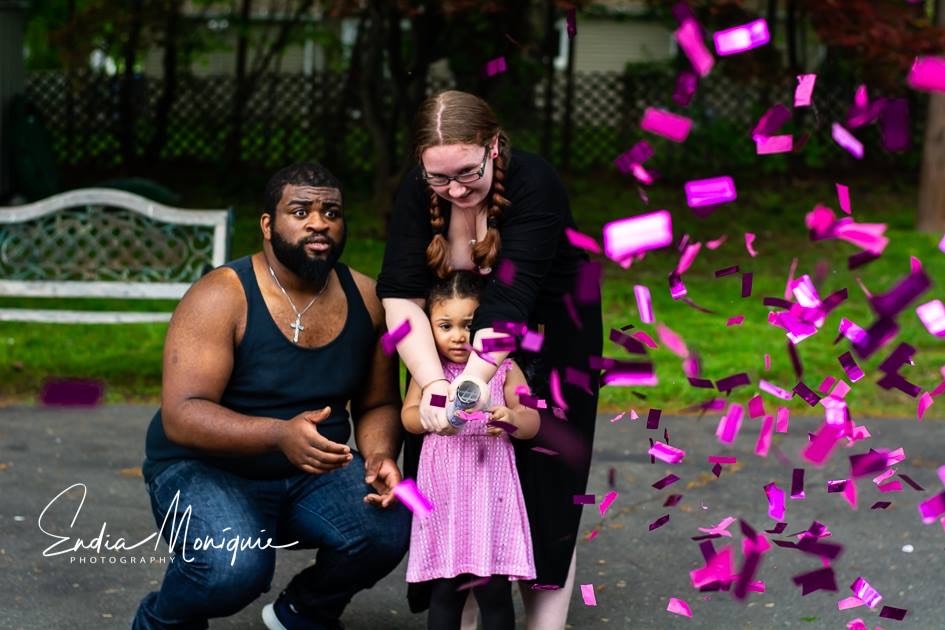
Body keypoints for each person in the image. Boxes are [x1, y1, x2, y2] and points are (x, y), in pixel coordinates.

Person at [132, 161, 411, 630]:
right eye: (300, 211)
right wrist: (279, 434)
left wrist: (380, 455)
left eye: (331, 212)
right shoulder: (221, 295)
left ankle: (303, 613)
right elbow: (182, 414)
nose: (319, 222)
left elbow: (379, 402)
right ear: (267, 224)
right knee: (232, 569)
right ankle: (164, 620)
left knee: (391, 524)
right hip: (203, 469)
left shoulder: (367, 298)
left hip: (312, 472)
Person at [378, 90, 603, 629]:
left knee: (543, 487)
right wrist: (434, 385)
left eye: (467, 173)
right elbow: (400, 293)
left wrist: (475, 385)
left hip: (550, 340)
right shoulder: (420, 190)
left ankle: (545, 621)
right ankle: (471, 609)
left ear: (494, 147)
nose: (454, 190)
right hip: (449, 339)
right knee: (463, 478)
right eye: (438, 178)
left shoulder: (535, 183)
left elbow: (511, 299)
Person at [403, 271, 540, 629]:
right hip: (445, 495)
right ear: (429, 328)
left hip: (490, 494)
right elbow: (408, 418)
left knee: (494, 590)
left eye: (469, 325)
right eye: (445, 326)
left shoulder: (504, 369)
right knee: (446, 589)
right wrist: (429, 417)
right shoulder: (430, 373)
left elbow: (533, 420)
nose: (459, 336)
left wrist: (511, 418)